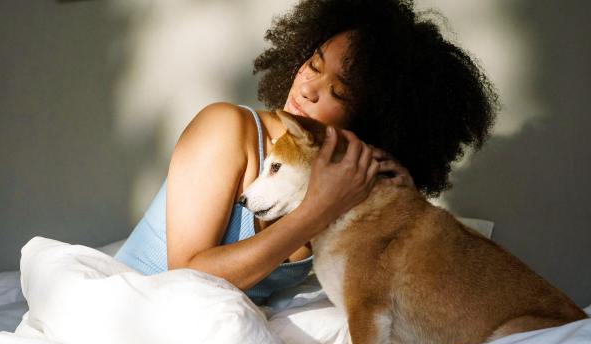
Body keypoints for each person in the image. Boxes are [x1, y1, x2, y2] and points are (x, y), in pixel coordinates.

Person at [115, 0, 498, 304]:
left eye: (339, 92)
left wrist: (398, 203)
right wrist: (319, 209)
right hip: (138, 313)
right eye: (313, 65)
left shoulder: (350, 184)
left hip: (216, 338)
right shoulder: (226, 129)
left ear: (374, 119)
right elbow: (186, 280)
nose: (308, 88)